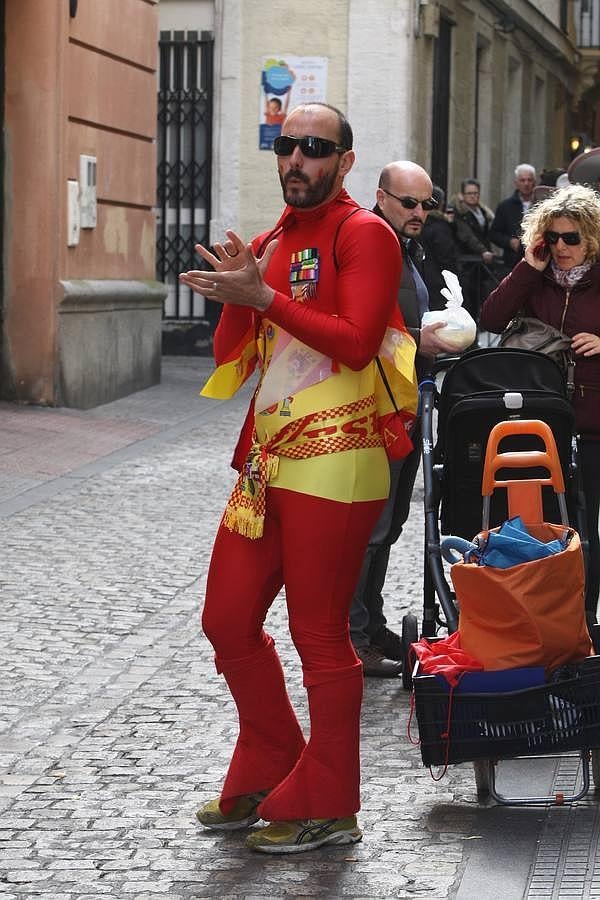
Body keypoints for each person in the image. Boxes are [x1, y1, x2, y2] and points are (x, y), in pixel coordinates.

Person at [179, 104, 417, 851]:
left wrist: (263, 298)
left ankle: (330, 797)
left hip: (340, 461)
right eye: (288, 146)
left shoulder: (365, 233)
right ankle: (272, 753)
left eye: (315, 148)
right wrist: (234, 297)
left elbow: (354, 344)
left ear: (345, 162)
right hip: (268, 461)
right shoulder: (273, 237)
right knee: (226, 619)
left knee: (319, 632)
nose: (297, 159)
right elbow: (234, 355)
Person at [350, 161, 456, 677]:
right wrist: (421, 336)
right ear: (381, 196)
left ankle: (369, 625)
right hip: (372, 407)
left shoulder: (412, 249)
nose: (418, 213)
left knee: (390, 524)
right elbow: (359, 324)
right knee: (368, 526)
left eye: (426, 204)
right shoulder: (368, 243)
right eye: (408, 203)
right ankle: (351, 636)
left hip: (408, 404)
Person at [480, 183, 600, 628]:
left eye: (572, 238)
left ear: (592, 238)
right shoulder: (537, 278)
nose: (562, 248)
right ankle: (540, 615)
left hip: (591, 422)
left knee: (585, 524)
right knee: (542, 521)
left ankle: (583, 618)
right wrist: (528, 268)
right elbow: (490, 319)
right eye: (554, 238)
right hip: (538, 416)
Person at [453, 178, 498, 319]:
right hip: (467, 264)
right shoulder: (460, 213)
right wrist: (482, 251)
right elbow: (466, 236)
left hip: (481, 264)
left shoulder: (483, 211)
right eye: (469, 193)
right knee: (469, 302)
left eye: (476, 193)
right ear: (462, 195)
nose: (473, 196)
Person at [421, 185, 462, 311]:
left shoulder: (421, 223)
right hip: (439, 281)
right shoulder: (440, 226)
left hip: (424, 276)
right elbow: (446, 256)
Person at [489, 163, 537, 271]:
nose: (526, 184)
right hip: (512, 263)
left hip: (538, 261)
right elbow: (494, 234)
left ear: (534, 182)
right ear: (516, 183)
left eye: (529, 180)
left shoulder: (542, 205)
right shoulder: (505, 206)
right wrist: (509, 242)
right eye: (522, 180)